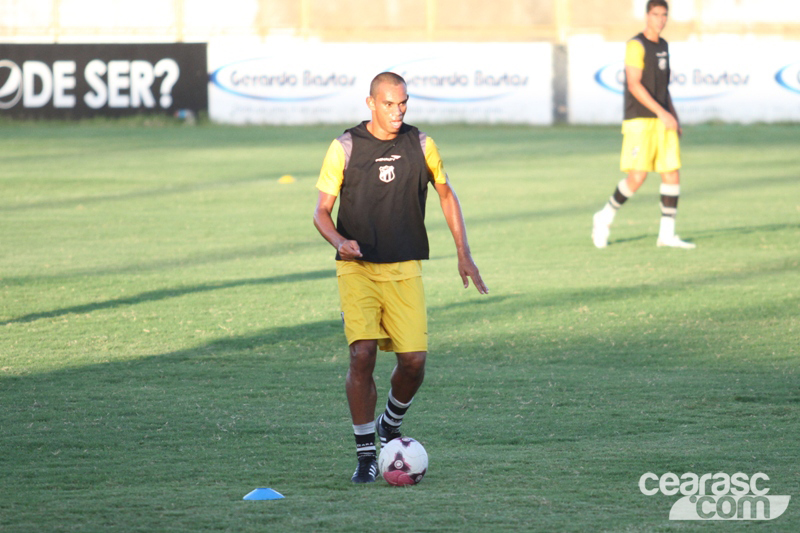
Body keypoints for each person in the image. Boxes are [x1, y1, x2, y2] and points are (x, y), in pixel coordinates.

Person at [313, 72, 488, 483]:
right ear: (371, 103)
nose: (398, 111)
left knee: (413, 362)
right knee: (363, 354)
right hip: (357, 270)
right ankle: (365, 456)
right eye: (389, 104)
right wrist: (339, 241)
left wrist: (464, 253)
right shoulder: (345, 146)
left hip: (405, 266)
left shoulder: (422, 145)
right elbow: (321, 211)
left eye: (403, 103)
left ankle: (389, 424)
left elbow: (446, 194)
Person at [592, 0, 695, 249]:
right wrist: (662, 113)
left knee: (672, 173)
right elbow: (634, 84)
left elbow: (664, 88)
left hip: (662, 119)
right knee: (637, 177)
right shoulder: (635, 45)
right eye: (656, 14)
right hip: (640, 120)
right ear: (647, 16)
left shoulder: (664, 46)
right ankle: (604, 216)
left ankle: (666, 235)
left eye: (664, 15)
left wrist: (674, 116)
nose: (660, 19)